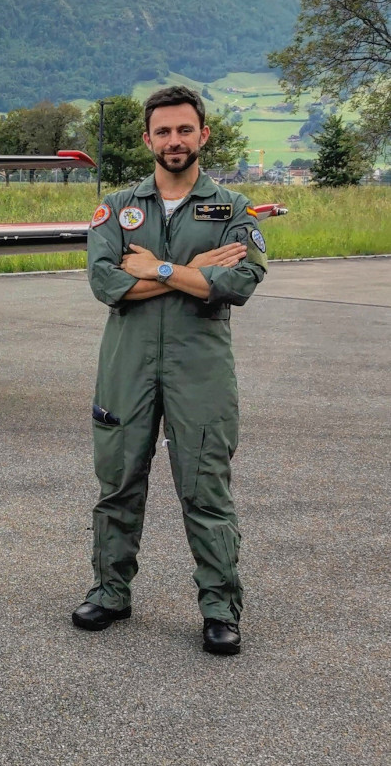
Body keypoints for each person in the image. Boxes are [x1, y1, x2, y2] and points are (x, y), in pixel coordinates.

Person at [75, 84, 267, 655]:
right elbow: (104, 280)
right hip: (127, 365)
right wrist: (190, 274)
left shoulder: (231, 208)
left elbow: (240, 282)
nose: (175, 140)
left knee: (207, 489)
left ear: (203, 134)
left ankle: (219, 608)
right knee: (118, 483)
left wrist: (157, 267)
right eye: (164, 131)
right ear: (147, 139)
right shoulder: (116, 207)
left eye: (185, 129)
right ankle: (111, 592)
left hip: (199, 368)